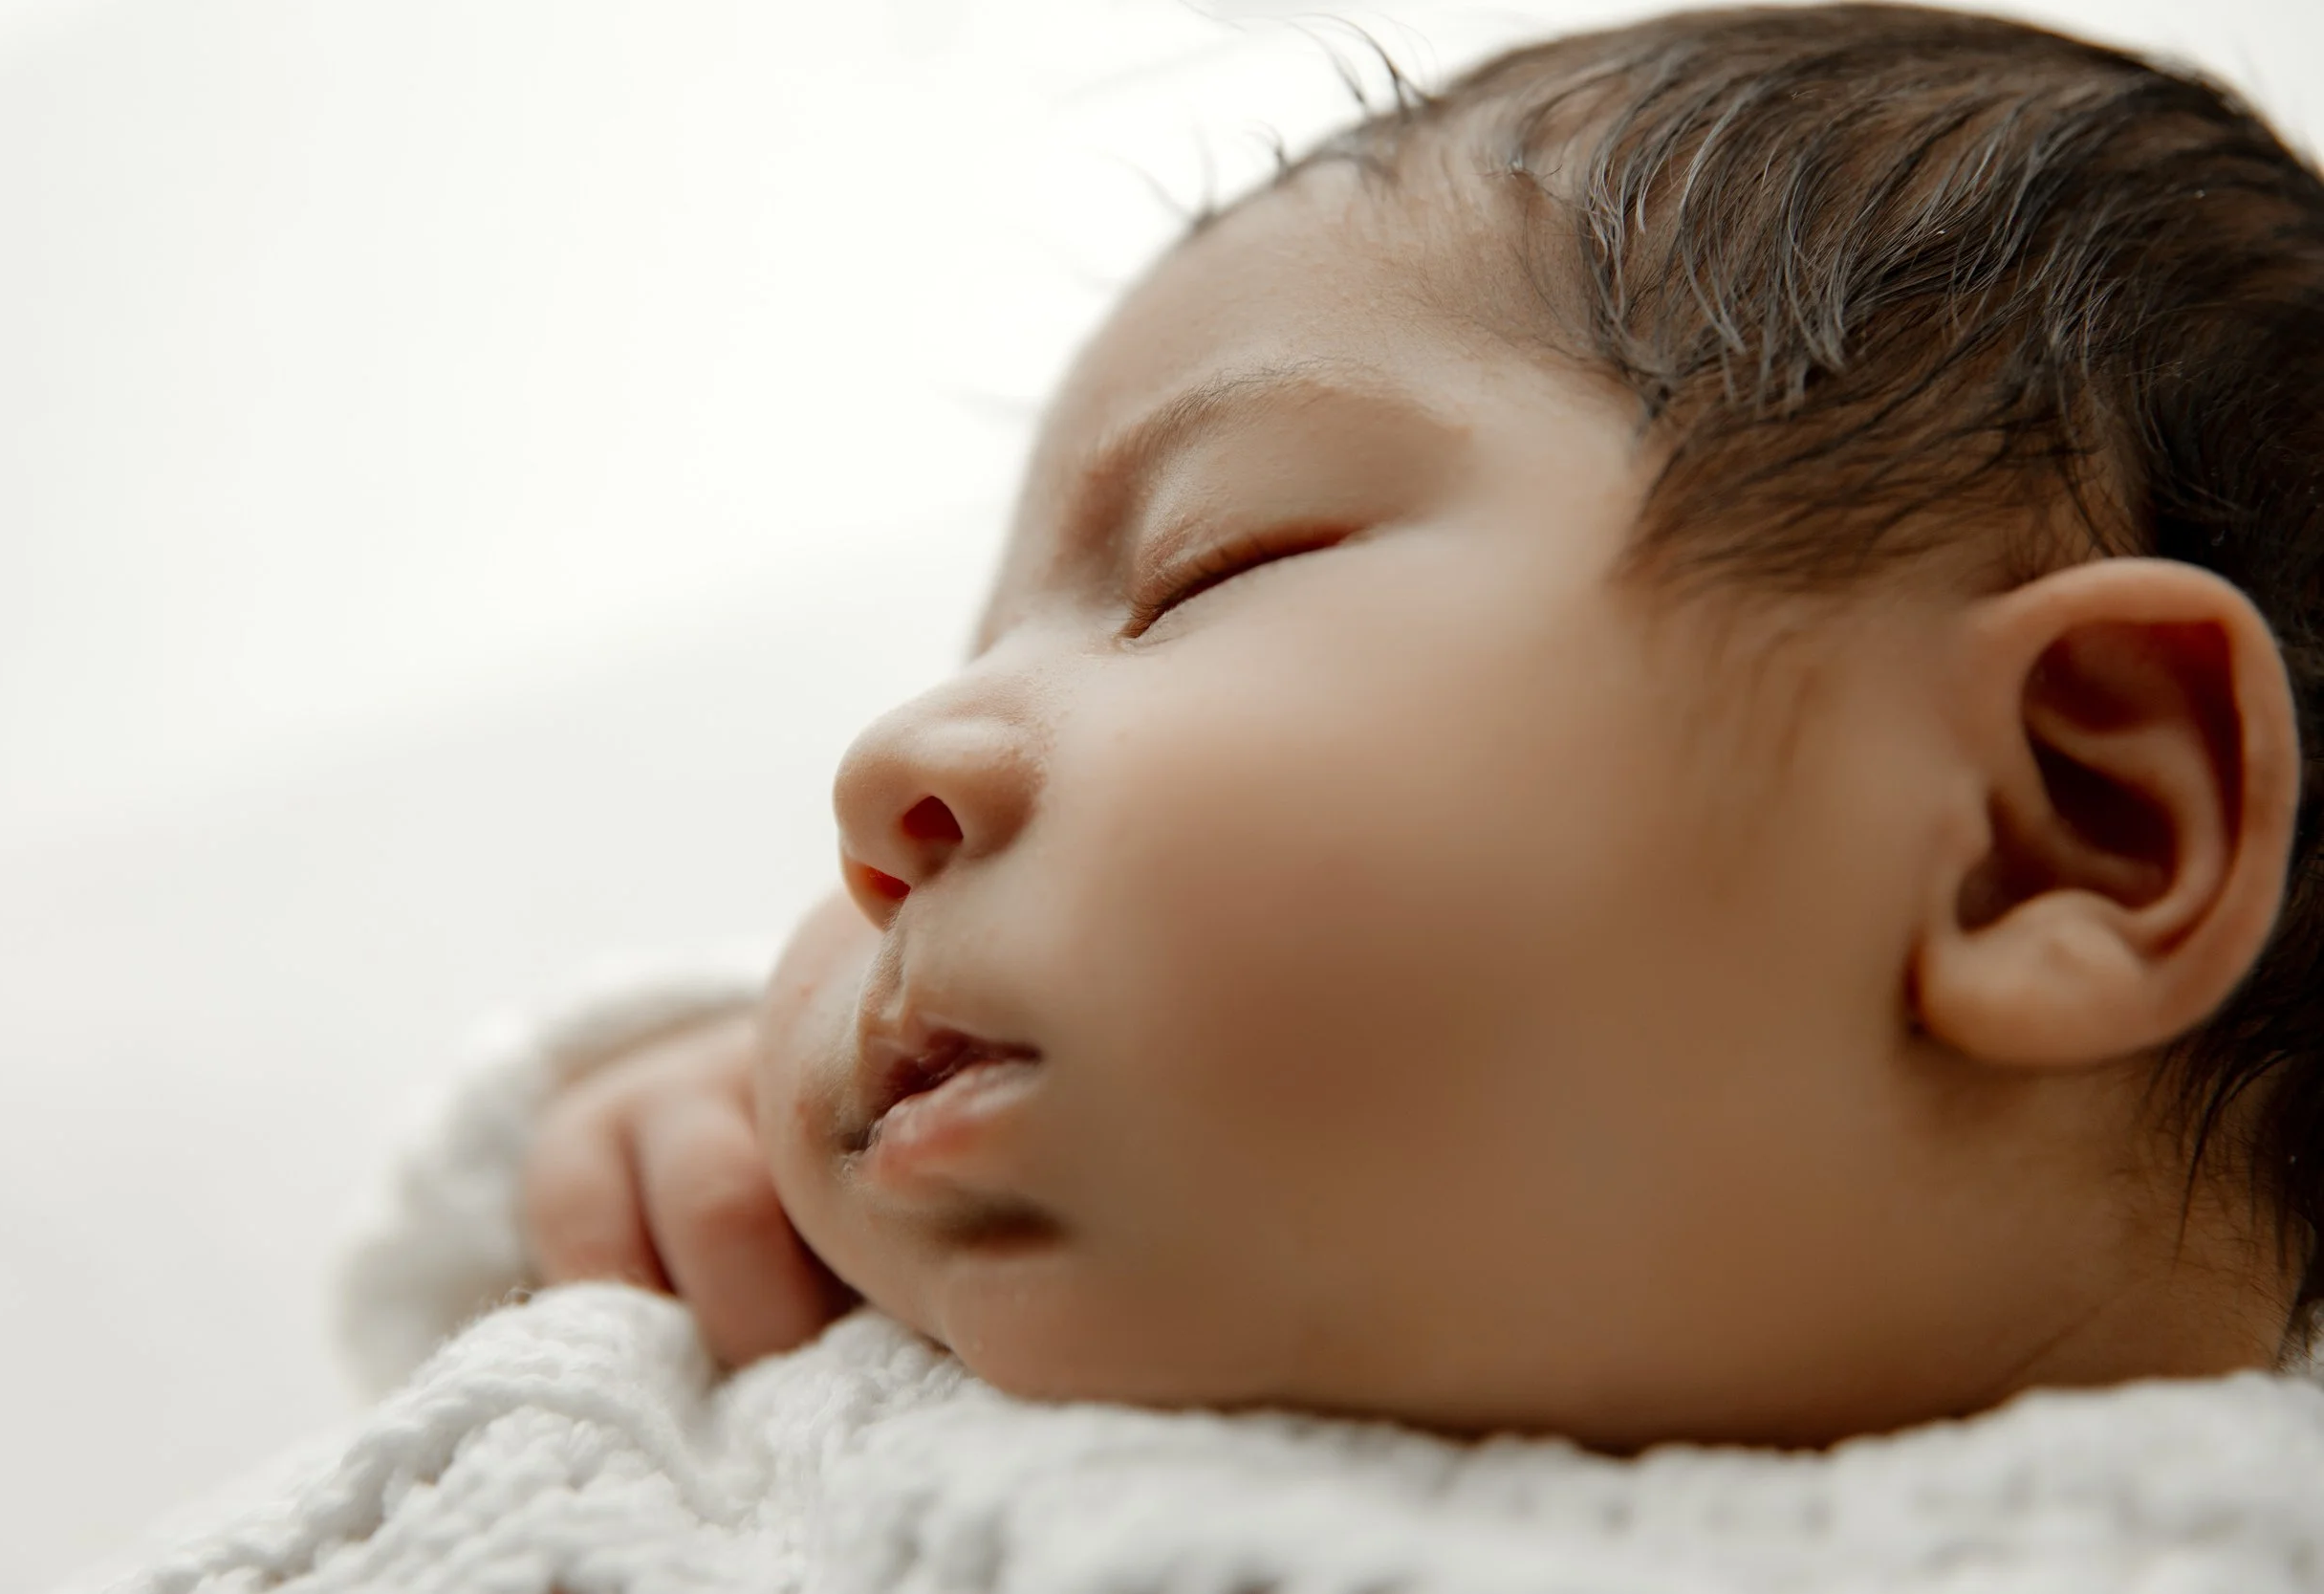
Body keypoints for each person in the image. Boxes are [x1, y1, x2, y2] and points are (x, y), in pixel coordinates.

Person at [509, 0, 2324, 1454]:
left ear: (2053, 823)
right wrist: (672, 1193)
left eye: (1210, 567)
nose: (889, 762)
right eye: (983, 650)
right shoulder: (787, 1394)